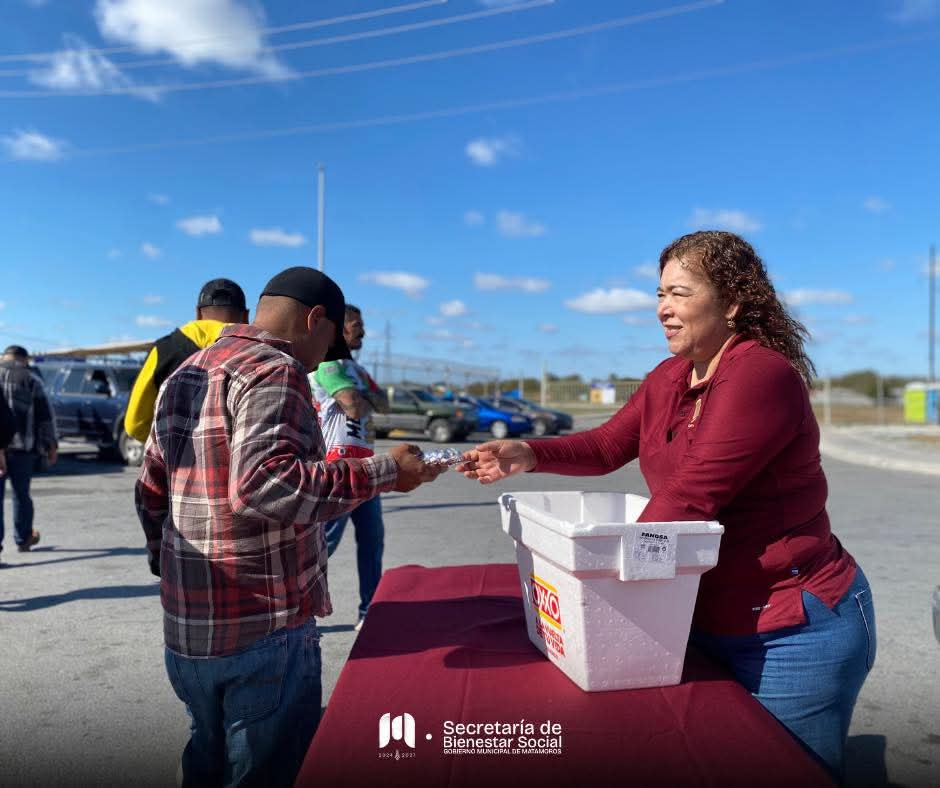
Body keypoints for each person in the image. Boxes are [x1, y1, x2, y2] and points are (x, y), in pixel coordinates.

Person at [461, 230, 874, 782]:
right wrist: (531, 453)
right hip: (694, 619)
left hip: (789, 633)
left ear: (732, 302)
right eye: (659, 294)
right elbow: (607, 445)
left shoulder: (760, 373)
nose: (663, 309)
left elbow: (690, 496)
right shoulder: (669, 376)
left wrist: (604, 584)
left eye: (679, 293)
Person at [135, 266, 444, 787]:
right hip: (261, 631)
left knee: (205, 761)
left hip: (188, 633)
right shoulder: (276, 369)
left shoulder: (185, 372)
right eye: (328, 344)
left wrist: (164, 562)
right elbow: (266, 485)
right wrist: (387, 472)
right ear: (314, 319)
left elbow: (150, 490)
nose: (322, 361)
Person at [309, 304, 390, 630]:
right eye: (357, 325)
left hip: (367, 469)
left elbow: (385, 404)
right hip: (337, 469)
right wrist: (364, 398)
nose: (363, 332)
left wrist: (362, 396)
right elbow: (355, 407)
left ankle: (369, 611)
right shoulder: (328, 365)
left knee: (372, 541)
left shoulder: (357, 370)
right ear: (340, 329)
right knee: (323, 545)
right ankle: (300, 611)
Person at [124, 277, 249, 443]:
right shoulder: (256, 353)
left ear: (198, 313)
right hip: (235, 457)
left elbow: (134, 424)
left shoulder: (164, 350)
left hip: (174, 455)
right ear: (246, 316)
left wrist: (164, 444)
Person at [0, 345, 57, 562]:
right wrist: (51, 445)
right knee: (21, 494)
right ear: (24, 359)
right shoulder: (31, 379)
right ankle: (23, 538)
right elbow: (45, 416)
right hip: (22, 448)